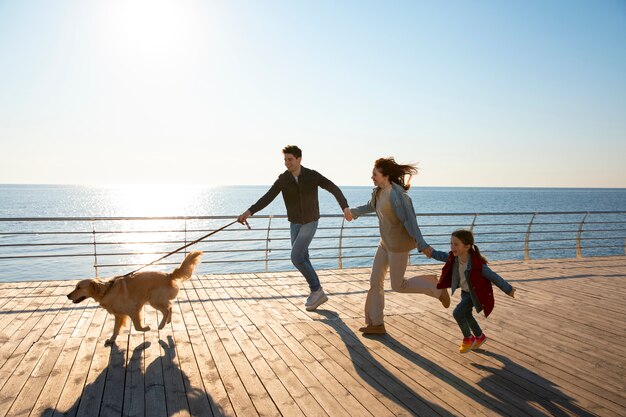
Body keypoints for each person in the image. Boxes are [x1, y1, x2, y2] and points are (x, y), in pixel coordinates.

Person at [237, 145, 352, 311]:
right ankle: (316, 293)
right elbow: (267, 197)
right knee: (303, 258)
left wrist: (345, 207)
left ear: (299, 159)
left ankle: (316, 290)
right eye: (285, 160)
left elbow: (333, 188)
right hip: (294, 223)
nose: (287, 163)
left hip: (310, 221)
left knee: (296, 257)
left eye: (290, 159)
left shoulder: (312, 176)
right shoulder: (284, 179)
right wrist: (248, 212)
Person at [348, 157, 450, 335]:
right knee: (375, 282)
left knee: (398, 285)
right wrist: (353, 213)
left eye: (375, 174)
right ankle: (376, 323)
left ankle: (436, 287)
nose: (372, 177)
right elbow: (370, 206)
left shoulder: (398, 196)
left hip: (399, 246)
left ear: (385, 175)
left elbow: (411, 221)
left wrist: (422, 244)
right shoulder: (378, 192)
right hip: (385, 244)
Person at [429, 229, 516, 353]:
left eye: (456, 244)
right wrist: (429, 251)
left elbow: (493, 276)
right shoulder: (455, 258)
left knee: (457, 313)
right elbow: (441, 255)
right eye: (451, 243)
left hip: (475, 294)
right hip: (465, 292)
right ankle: (480, 336)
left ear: (467, 246)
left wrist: (509, 289)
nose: (452, 247)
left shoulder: (476, 265)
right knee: (467, 314)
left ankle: (468, 338)